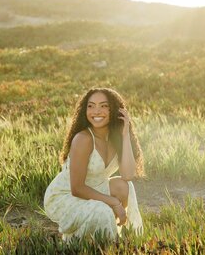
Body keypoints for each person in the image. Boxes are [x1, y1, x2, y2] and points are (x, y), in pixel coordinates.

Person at [44, 87, 144, 241]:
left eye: (104, 106)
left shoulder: (115, 137)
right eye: (91, 106)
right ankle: (84, 242)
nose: (96, 111)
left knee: (125, 186)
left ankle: (128, 238)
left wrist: (124, 135)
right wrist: (113, 202)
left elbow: (128, 175)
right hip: (66, 195)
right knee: (102, 210)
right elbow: (77, 188)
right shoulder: (83, 139)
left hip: (95, 188)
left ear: (115, 111)